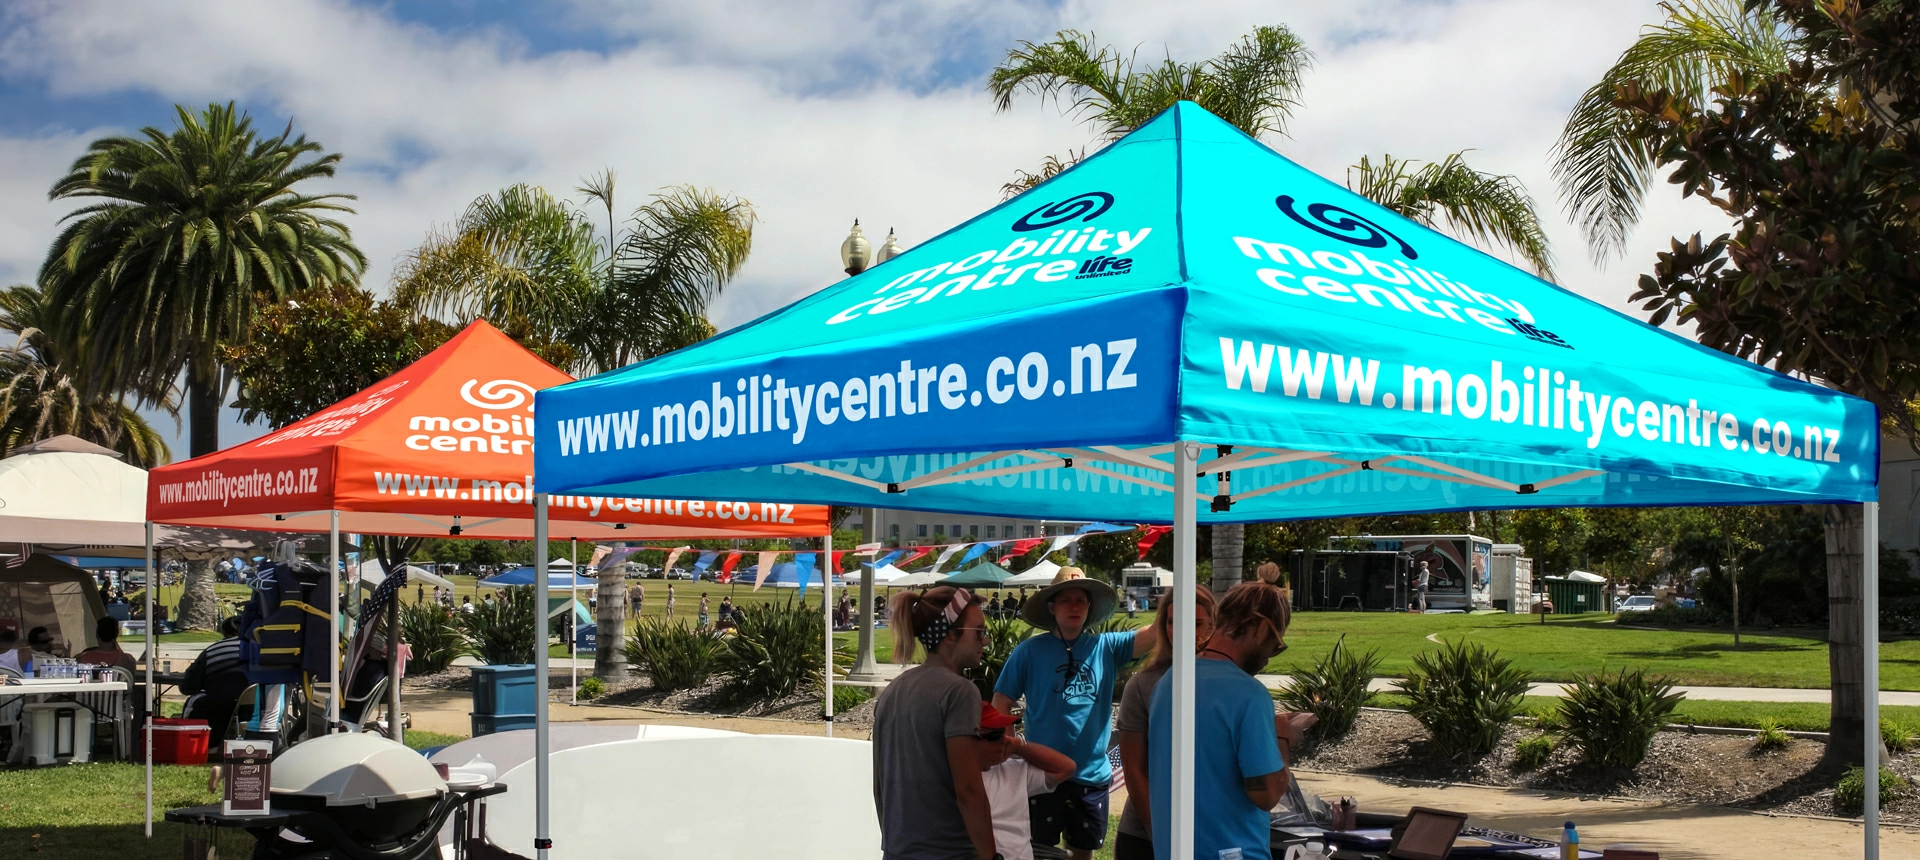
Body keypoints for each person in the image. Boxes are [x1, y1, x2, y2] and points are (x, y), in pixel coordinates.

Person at [991, 568, 1158, 860]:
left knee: (1082, 851)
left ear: (1089, 607)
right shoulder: (1029, 652)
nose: (1074, 606)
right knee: (1040, 851)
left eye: (1081, 600)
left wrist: (1177, 602)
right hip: (1041, 774)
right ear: (1052, 607)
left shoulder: (1106, 647)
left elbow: (1153, 634)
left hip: (1090, 776)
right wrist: (1010, 750)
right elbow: (1000, 702)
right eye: (1066, 600)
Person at [1148, 582, 1295, 860]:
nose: (1267, 659)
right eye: (1275, 646)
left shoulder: (1170, 682)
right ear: (1260, 628)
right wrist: (1283, 736)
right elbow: (1266, 796)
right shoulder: (1248, 694)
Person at [871, 586, 997, 860]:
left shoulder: (893, 690)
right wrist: (991, 856)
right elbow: (969, 790)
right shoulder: (960, 691)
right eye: (978, 632)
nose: (984, 642)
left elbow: (880, 784)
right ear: (950, 635)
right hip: (948, 853)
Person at [1112, 586, 1218, 860]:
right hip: (1144, 834)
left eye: (1195, 623)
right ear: (1163, 625)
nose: (1183, 631)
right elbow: (1134, 773)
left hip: (1211, 833)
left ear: (1213, 624)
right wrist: (1161, 837)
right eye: (1173, 622)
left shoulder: (1228, 685)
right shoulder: (1142, 685)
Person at [975, 703, 1076, 860]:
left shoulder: (1014, 770)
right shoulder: (948, 778)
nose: (1004, 741)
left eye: (1004, 732)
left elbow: (1066, 768)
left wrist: (1018, 746)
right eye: (995, 736)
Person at [182, 617, 249, 740]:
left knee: (193, 701)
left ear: (223, 632)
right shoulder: (256, 649)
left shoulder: (212, 650)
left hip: (217, 705)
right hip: (252, 707)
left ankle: (189, 742)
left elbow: (189, 685)